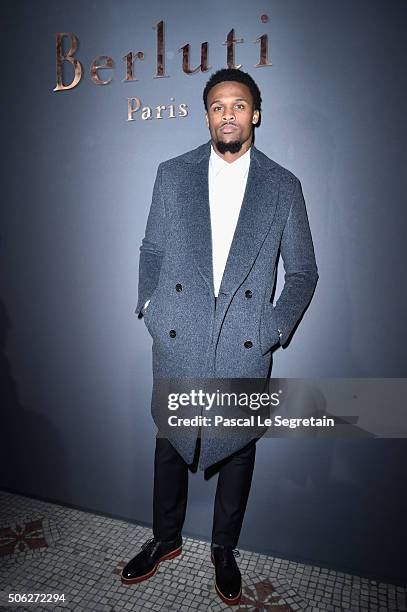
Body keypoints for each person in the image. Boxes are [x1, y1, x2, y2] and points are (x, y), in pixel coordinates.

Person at [121, 68, 318, 606]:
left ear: (254, 113)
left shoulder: (283, 185)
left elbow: (303, 273)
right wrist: (149, 305)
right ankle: (165, 539)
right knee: (169, 442)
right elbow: (151, 250)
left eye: (237, 105)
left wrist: (275, 327)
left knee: (238, 451)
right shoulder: (172, 173)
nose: (227, 114)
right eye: (216, 106)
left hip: (245, 340)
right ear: (207, 114)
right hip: (179, 333)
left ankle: (223, 549)